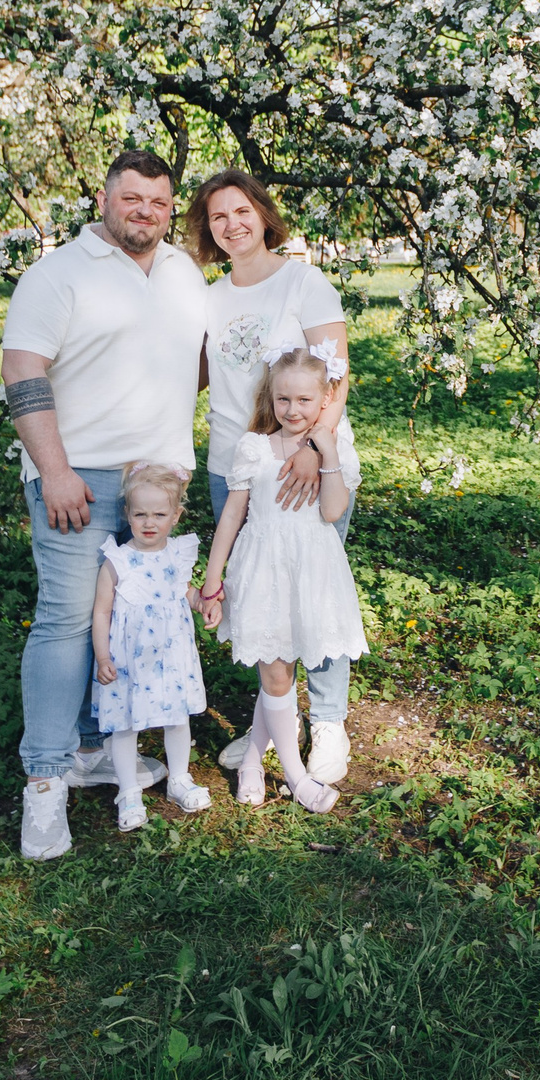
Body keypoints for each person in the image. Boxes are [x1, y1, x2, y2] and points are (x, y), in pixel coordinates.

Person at [2, 149, 212, 861]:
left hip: (159, 480)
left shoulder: (184, 270)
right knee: (67, 618)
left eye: (157, 201)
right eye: (131, 198)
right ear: (103, 197)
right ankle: (44, 782)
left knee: (128, 616)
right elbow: (21, 368)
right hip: (81, 476)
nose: (144, 212)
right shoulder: (57, 274)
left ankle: (92, 750)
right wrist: (54, 468)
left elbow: (199, 357)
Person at [186, 169, 358, 783]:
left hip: (310, 462)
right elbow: (195, 377)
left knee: (316, 592)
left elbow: (335, 377)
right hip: (238, 465)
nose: (231, 224)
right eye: (217, 217)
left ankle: (330, 722)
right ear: (208, 231)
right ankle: (271, 725)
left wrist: (316, 447)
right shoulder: (208, 298)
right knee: (262, 595)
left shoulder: (303, 281)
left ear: (262, 214)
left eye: (241, 211)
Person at [199, 344, 364, 814]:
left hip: (311, 570)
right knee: (274, 670)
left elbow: (332, 511)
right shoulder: (254, 448)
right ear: (271, 399)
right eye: (283, 400)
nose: (292, 411)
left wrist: (326, 449)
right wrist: (213, 584)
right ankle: (296, 777)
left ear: (326, 399)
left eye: (304, 401)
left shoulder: (334, 450)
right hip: (263, 569)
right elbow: (231, 518)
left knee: (283, 666)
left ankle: (253, 761)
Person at [89, 463, 212, 833]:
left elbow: (184, 592)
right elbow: (102, 611)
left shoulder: (177, 554)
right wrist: (102, 656)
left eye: (159, 514)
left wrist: (202, 601)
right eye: (140, 513)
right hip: (127, 661)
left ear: (176, 516)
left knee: (178, 718)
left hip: (171, 657)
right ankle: (128, 791)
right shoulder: (117, 561)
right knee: (125, 725)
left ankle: (179, 779)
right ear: (127, 514)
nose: (149, 522)